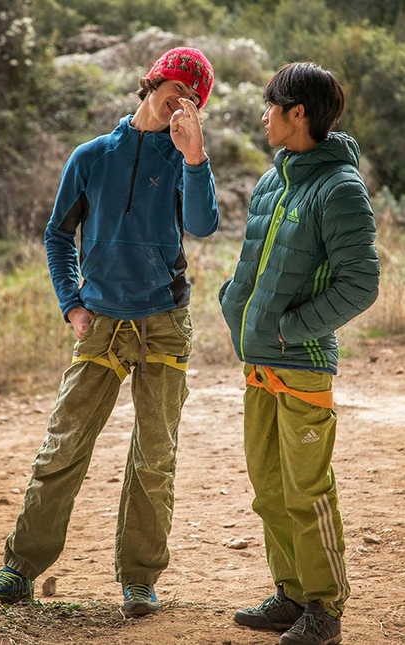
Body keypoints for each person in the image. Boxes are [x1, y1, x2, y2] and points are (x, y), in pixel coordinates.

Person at [0, 46, 218, 616]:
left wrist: (196, 156)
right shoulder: (91, 157)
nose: (179, 100)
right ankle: (20, 568)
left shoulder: (186, 160)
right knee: (64, 444)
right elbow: (58, 236)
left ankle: (138, 579)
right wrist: (72, 304)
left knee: (154, 457)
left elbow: (204, 225)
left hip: (163, 322)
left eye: (192, 97)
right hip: (102, 322)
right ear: (153, 81)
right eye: (175, 87)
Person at [219, 62, 379, 645]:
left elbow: (361, 284)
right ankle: (290, 595)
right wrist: (234, 307)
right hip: (258, 360)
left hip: (301, 361)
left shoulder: (340, 188)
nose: (263, 117)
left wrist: (290, 329)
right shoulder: (273, 178)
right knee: (269, 489)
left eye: (271, 106)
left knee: (307, 492)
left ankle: (325, 610)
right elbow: (252, 264)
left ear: (299, 114)